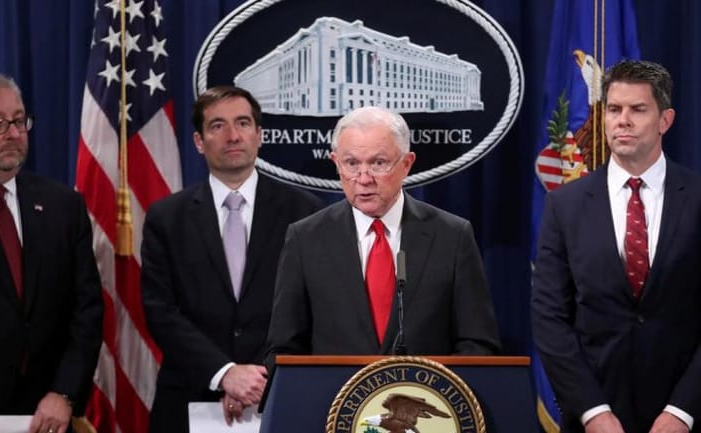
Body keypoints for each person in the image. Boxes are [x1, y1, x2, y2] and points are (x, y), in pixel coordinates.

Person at [531, 60, 701, 433]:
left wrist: (683, 411)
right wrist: (593, 411)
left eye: (637, 110)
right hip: (595, 417)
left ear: (665, 120)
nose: (622, 121)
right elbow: (549, 318)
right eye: (613, 109)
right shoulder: (564, 206)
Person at [140, 85, 322, 432]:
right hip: (189, 396)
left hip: (277, 394)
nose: (233, 135)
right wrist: (224, 374)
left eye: (242, 123)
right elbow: (160, 310)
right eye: (217, 125)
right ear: (199, 141)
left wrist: (257, 377)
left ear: (259, 135)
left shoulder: (304, 212)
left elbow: (311, 310)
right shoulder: (167, 218)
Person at [0, 70, 103, 433]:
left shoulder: (63, 205)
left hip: (47, 416)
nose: (13, 133)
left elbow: (86, 310)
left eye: (19, 120)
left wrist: (64, 392)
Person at [265, 106, 501, 364]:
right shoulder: (305, 238)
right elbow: (284, 351)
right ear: (336, 163)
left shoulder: (452, 236)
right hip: (336, 392)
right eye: (351, 163)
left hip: (420, 389)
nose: (364, 178)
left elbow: (477, 345)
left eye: (378, 163)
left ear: (406, 164)